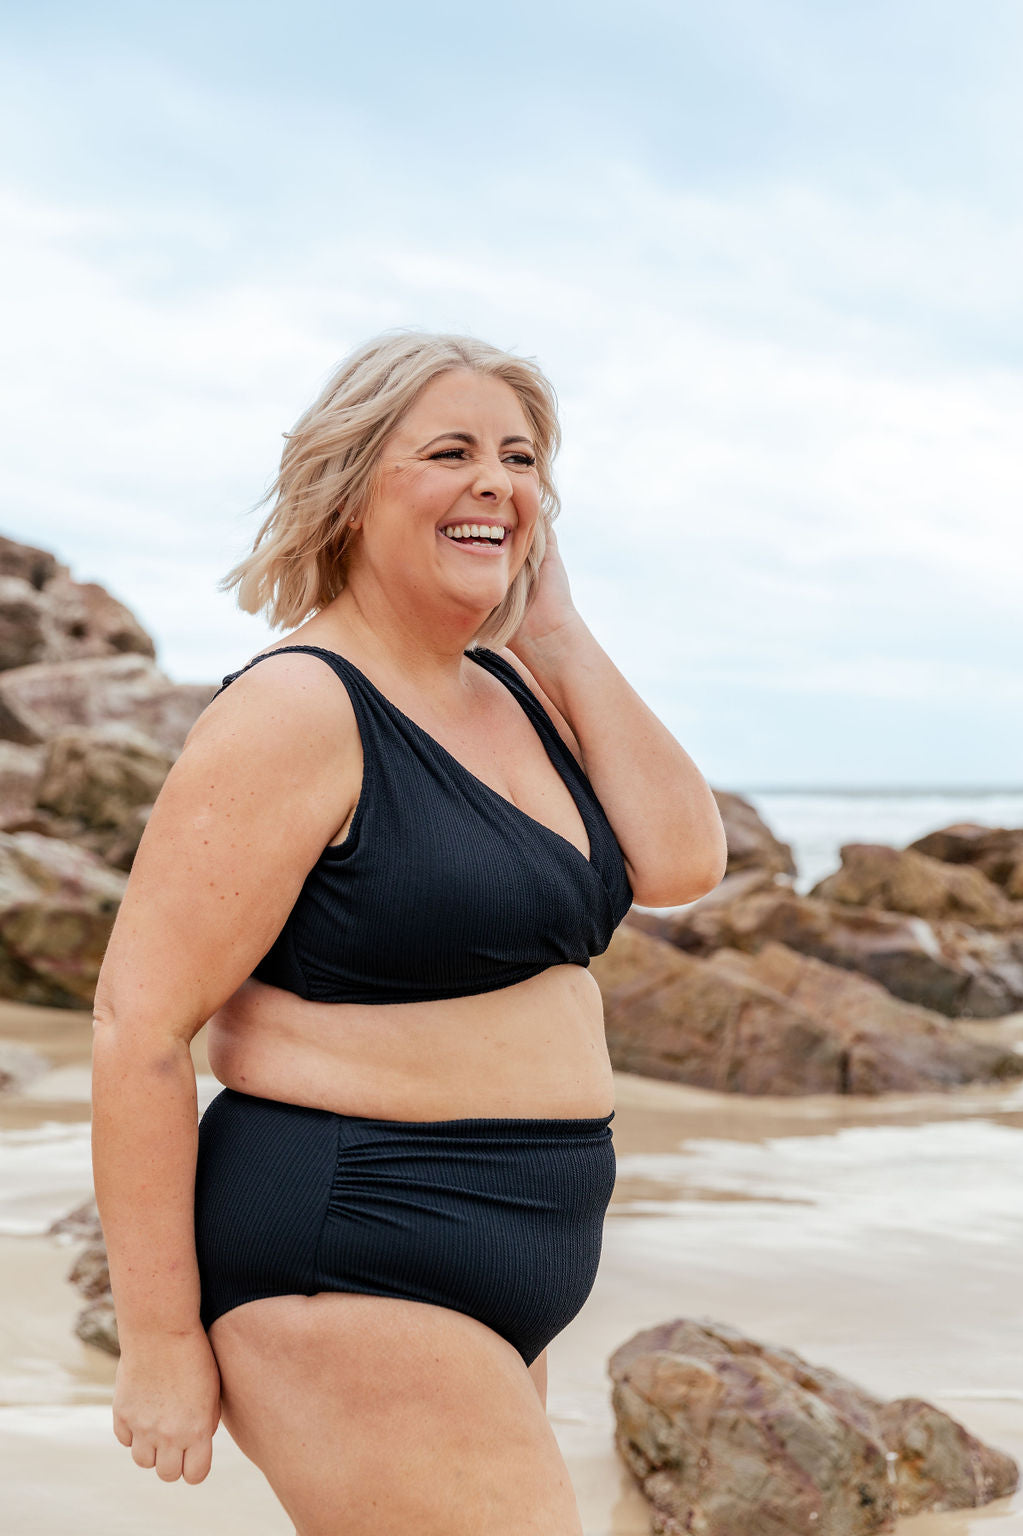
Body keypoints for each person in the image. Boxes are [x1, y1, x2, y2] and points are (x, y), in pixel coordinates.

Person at [90, 330, 727, 1536]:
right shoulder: (297, 708)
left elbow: (683, 861)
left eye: (520, 458)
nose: (496, 481)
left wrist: (553, 630)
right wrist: (159, 1340)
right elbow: (138, 1026)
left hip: (515, 1246)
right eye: (452, 451)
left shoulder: (512, 694)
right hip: (356, 1236)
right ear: (350, 484)